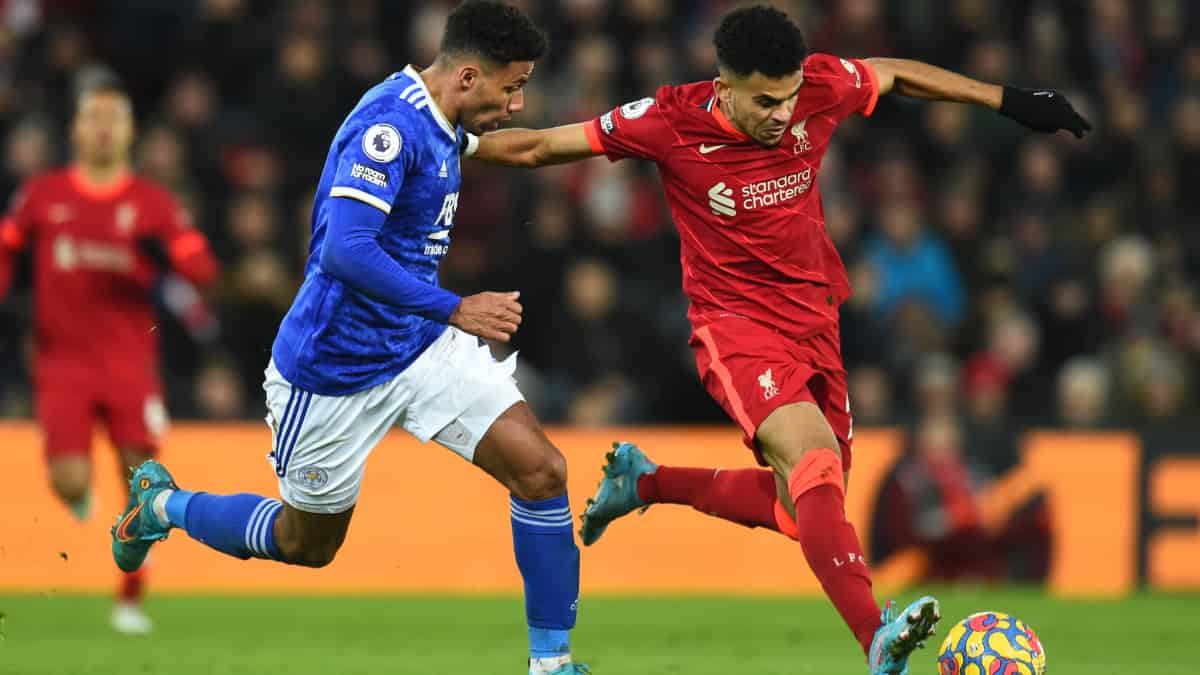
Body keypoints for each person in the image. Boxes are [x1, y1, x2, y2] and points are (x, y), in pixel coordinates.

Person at [468, 5, 1090, 674]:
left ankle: (646, 482)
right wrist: (446, 143)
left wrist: (1011, 100)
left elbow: (892, 75)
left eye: (790, 97)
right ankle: (876, 635)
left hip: (816, 322)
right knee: (815, 461)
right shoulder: (669, 120)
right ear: (724, 83)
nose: (781, 113)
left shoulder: (816, 88)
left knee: (807, 513)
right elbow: (537, 146)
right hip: (735, 328)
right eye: (765, 100)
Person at [108, 3, 588, 673]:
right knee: (306, 543)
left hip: (419, 346)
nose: (518, 102)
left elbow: (522, 147)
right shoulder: (390, 127)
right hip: (333, 369)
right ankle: (161, 505)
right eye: (513, 87)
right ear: (471, 76)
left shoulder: (445, 116)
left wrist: (619, 133)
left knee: (542, 471)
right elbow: (344, 250)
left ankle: (551, 663)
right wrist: (455, 306)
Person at [0, 78, 219, 633]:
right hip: (62, 363)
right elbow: (6, 247)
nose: (101, 128)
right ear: (75, 129)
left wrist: (168, 256)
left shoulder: (151, 203)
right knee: (70, 482)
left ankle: (128, 598)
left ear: (128, 131)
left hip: (128, 364)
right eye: (92, 117)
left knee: (143, 487)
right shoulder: (44, 195)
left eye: (112, 118)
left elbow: (203, 271)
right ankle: (81, 501)